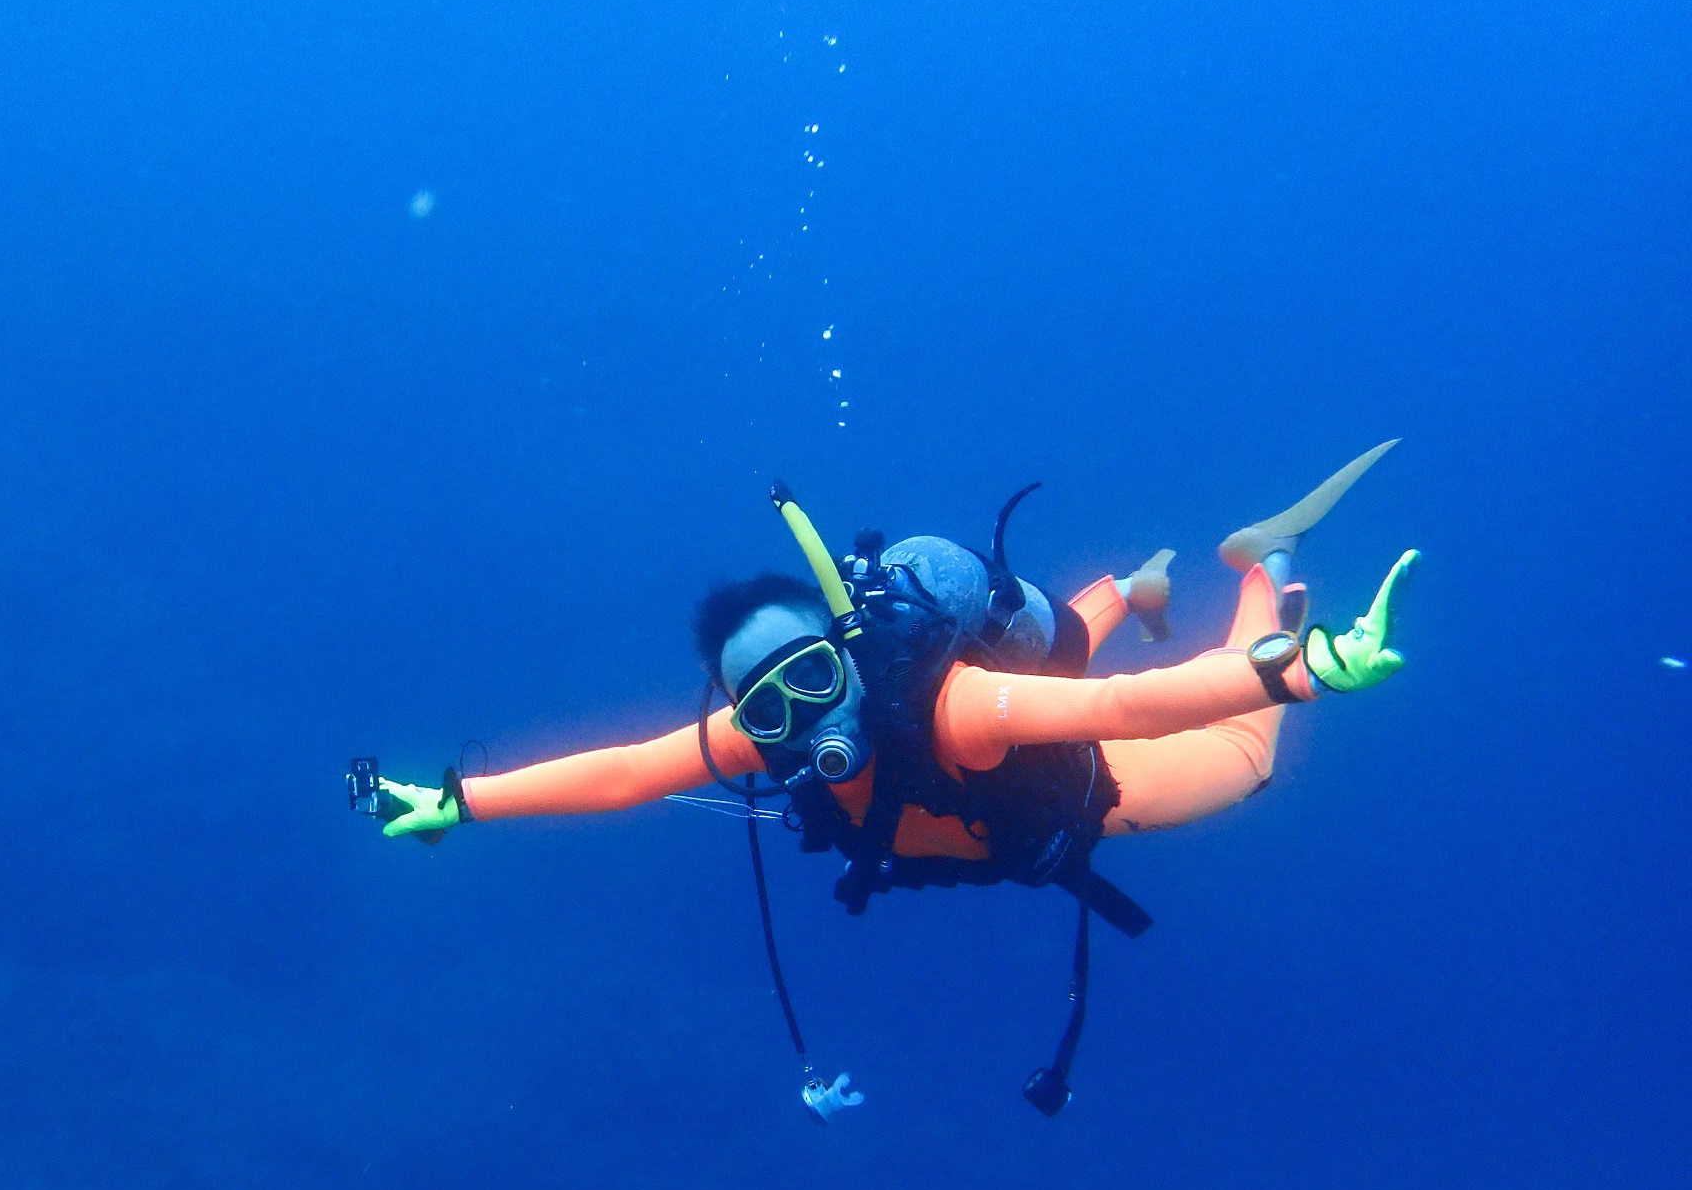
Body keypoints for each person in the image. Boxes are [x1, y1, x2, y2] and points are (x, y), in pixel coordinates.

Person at [363, 443, 1418, 1112]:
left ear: (844, 657)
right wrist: (459, 802)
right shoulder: (760, 739)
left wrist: (1303, 670)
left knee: (1239, 757)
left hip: (1102, 787)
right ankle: (1131, 587)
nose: (801, 721)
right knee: (1058, 656)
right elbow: (626, 772)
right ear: (744, 717)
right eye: (765, 708)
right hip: (1028, 746)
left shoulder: (954, 707)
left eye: (814, 677)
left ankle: (1261, 567)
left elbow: (1121, 709)